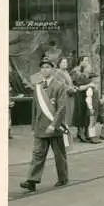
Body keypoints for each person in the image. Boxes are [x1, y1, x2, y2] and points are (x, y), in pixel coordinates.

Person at [20, 57, 68, 192]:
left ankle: (63, 178)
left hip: (55, 126)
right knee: (37, 154)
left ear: (52, 70)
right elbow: (35, 108)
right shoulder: (38, 87)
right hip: (41, 126)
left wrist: (54, 124)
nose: (44, 69)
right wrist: (33, 125)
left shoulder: (60, 86)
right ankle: (32, 181)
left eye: (47, 67)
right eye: (42, 67)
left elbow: (62, 108)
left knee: (59, 154)